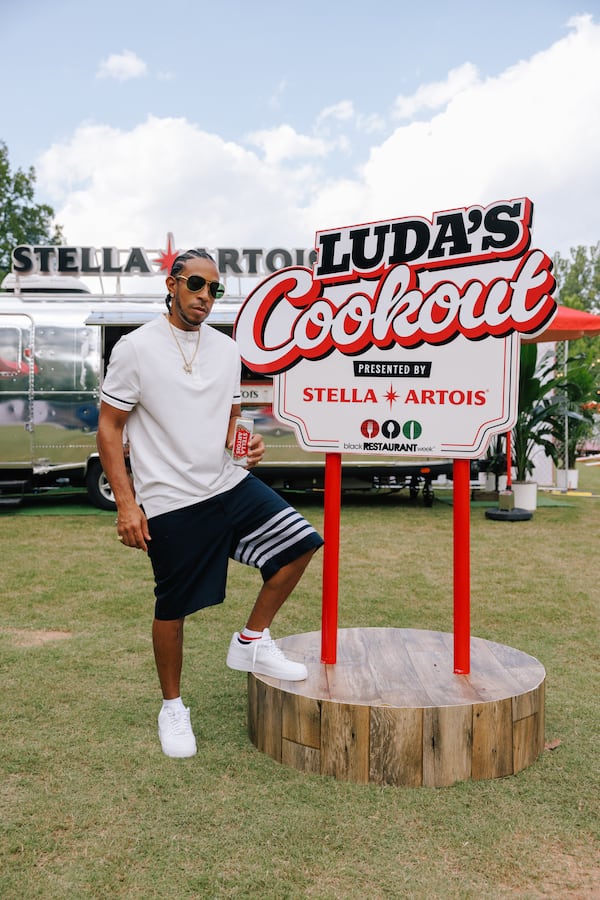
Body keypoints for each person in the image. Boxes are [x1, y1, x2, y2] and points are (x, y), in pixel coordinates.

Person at [97, 249, 323, 759]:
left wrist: (245, 443)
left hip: (226, 483)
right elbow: (110, 428)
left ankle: (250, 642)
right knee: (173, 608)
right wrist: (127, 506)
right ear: (172, 284)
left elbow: (230, 422)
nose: (205, 296)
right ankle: (172, 706)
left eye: (214, 289)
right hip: (170, 498)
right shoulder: (135, 348)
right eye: (196, 284)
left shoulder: (226, 349)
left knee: (301, 543)